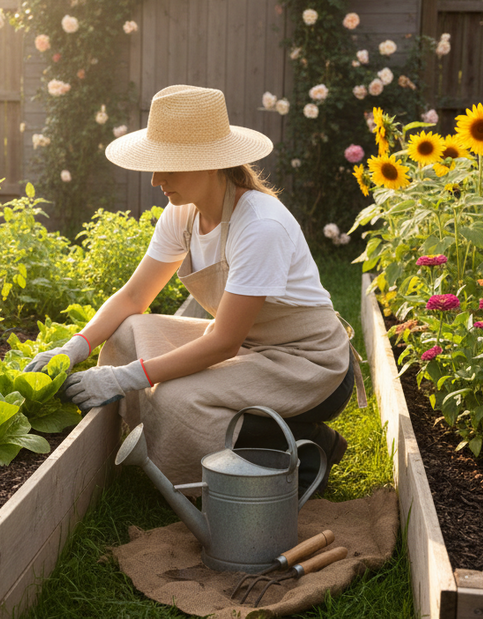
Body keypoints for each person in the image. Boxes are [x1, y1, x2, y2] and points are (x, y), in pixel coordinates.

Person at [25, 84, 362, 495]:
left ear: (210, 163)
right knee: (129, 332)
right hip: (250, 348)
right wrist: (73, 348)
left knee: (175, 399)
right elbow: (133, 298)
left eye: (167, 166)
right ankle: (169, 445)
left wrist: (123, 378)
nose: (155, 180)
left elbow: (223, 342)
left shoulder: (260, 226)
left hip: (308, 365)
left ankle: (307, 449)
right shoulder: (182, 213)